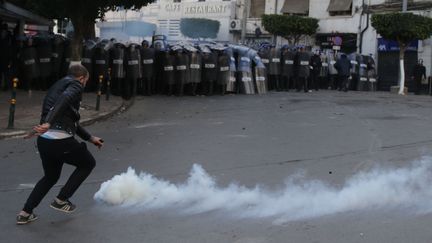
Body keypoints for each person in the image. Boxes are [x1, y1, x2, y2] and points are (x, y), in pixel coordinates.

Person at [16, 64, 104, 225]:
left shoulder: (57, 86)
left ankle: (25, 212)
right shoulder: (75, 85)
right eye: (85, 82)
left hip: (44, 141)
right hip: (60, 140)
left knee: (50, 177)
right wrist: (49, 123)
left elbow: (68, 118)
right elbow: (64, 102)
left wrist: (90, 138)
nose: (84, 86)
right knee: (88, 163)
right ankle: (62, 199)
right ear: (82, 78)